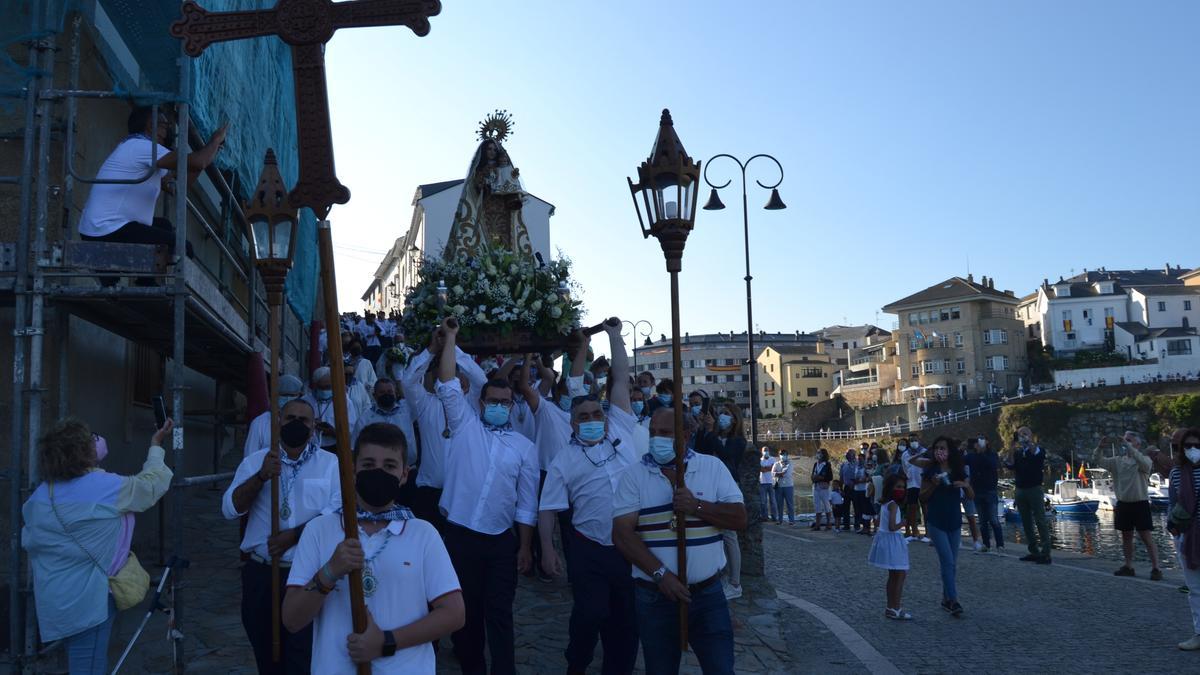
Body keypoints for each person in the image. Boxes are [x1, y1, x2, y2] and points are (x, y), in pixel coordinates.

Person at [282, 423, 465, 673]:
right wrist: (329, 572)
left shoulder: (424, 534)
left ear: (404, 475)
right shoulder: (320, 530)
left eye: (389, 466)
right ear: (353, 470)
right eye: (368, 465)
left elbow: (453, 614)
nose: (378, 472)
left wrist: (386, 642)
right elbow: (291, 619)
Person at [22, 417, 174, 675]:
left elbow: (30, 540)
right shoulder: (105, 487)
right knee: (89, 666)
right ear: (82, 451)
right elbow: (152, 484)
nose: (97, 441)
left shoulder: (40, 495)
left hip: (55, 598)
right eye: (90, 439)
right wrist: (156, 446)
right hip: (89, 600)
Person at [435, 318, 539, 675]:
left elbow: (526, 504)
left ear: (511, 405)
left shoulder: (524, 448)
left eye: (505, 402)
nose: (499, 406)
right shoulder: (464, 425)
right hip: (460, 535)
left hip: (500, 542)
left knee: (500, 613)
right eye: (493, 400)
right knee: (467, 614)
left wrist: (525, 547)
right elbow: (448, 383)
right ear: (481, 401)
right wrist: (450, 337)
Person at [538, 318, 641, 674]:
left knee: (626, 621)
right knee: (590, 613)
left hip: (629, 546)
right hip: (588, 546)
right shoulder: (564, 459)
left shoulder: (623, 430)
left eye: (597, 412)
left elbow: (621, 376)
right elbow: (548, 509)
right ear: (573, 422)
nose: (593, 418)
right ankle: (577, 661)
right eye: (584, 416)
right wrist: (549, 550)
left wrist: (615, 337)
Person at [612, 407, 747, 675]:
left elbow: (739, 518)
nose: (655, 440)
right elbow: (622, 534)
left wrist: (696, 506)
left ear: (685, 434)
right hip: (654, 595)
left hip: (708, 595)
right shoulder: (633, 476)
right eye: (652, 433)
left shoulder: (712, 467)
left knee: (720, 668)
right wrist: (661, 575)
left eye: (664, 433)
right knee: (660, 669)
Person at [222, 399, 341, 673]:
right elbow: (230, 508)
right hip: (263, 573)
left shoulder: (330, 464)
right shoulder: (256, 461)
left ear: (313, 428)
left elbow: (336, 513)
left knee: (302, 656)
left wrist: (295, 536)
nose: (296, 424)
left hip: (308, 574)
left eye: (304, 420)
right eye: (290, 419)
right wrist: (261, 477)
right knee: (266, 653)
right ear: (278, 422)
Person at [399, 327, 487, 533]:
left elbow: (481, 381)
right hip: (428, 493)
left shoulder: (470, 404)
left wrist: (451, 346)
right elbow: (408, 381)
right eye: (437, 372)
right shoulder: (423, 403)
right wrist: (432, 349)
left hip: (463, 493)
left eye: (452, 373)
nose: (444, 377)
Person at [1091, 431, 1163, 580]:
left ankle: (1156, 568)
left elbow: (1144, 463)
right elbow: (1099, 460)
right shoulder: (1117, 461)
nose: (1126, 443)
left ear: (1137, 444)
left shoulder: (1143, 461)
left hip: (1140, 503)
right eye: (1125, 440)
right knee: (1126, 536)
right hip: (1123, 503)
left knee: (1146, 536)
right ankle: (1128, 566)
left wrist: (1127, 446)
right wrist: (1100, 447)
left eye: (1129, 440)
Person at [695, 401, 747, 599]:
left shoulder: (738, 441)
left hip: (729, 489)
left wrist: (711, 433)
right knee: (717, 533)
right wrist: (703, 428)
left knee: (730, 536)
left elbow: (726, 456)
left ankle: (735, 583)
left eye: (726, 414)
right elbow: (700, 449)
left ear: (734, 419)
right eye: (720, 413)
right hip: (712, 487)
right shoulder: (715, 437)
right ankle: (723, 574)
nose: (722, 417)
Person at [920, 436, 972, 616]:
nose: (939, 451)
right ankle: (954, 600)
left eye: (942, 448)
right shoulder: (930, 470)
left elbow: (971, 496)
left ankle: (945, 598)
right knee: (947, 561)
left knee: (952, 563)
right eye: (936, 448)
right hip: (936, 521)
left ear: (950, 450)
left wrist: (965, 485)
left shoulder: (958, 470)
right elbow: (923, 497)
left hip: (955, 521)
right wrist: (933, 485)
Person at [1167, 427, 1200, 651]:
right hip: (1188, 536)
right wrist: (1175, 530)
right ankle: (1199, 633)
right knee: (1195, 589)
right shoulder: (1176, 473)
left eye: (1197, 445)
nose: (1193, 450)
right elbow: (1171, 503)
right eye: (1188, 446)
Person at [868, 473, 911, 620]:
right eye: (898, 486)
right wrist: (903, 523)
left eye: (903, 487)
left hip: (887, 540)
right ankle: (896, 607)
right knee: (900, 574)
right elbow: (892, 526)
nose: (901, 489)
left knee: (894, 575)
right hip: (894, 541)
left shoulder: (885, 504)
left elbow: (879, 523)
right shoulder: (893, 505)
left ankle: (890, 606)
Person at [1007, 426, 1051, 564]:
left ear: (1031, 436)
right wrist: (1012, 446)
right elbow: (1009, 464)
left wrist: (1029, 442)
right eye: (1020, 434)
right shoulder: (1018, 453)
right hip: (1020, 489)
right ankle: (1033, 551)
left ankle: (1046, 553)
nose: (1023, 436)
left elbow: (1037, 454)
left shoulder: (1038, 450)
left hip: (1035, 489)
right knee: (1026, 522)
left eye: (1025, 434)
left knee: (1040, 520)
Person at [244, 374, 305, 458]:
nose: (287, 399)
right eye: (284, 395)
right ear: (275, 396)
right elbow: (250, 455)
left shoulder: (305, 421)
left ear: (299, 396)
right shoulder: (260, 422)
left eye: (292, 396)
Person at [965, 434, 1003, 553]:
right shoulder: (971, 456)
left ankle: (1000, 545)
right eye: (977, 441)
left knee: (993, 519)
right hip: (977, 491)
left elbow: (993, 464)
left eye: (982, 440)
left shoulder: (992, 455)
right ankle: (986, 544)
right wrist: (961, 448)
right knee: (982, 521)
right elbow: (959, 461)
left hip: (990, 491)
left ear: (987, 442)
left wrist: (982, 453)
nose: (980, 443)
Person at [309, 366, 360, 452]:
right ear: (315, 385)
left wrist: (334, 432)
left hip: (336, 447)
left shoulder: (344, 402)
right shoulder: (306, 401)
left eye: (328, 387)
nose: (325, 390)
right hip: (311, 447)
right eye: (321, 387)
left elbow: (352, 430)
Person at [901, 436, 930, 542]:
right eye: (911, 440)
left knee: (925, 508)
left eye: (915, 440)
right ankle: (914, 532)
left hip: (923, 483)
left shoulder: (925, 452)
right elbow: (904, 468)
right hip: (911, 484)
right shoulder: (905, 454)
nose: (914, 442)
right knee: (911, 508)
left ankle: (928, 532)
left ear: (919, 440)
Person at [811, 448, 834, 531]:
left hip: (824, 488)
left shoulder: (827, 464)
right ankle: (817, 524)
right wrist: (816, 478)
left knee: (827, 505)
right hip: (816, 487)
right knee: (817, 506)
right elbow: (812, 476)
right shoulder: (815, 464)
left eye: (819, 453)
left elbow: (830, 477)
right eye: (817, 453)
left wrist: (821, 478)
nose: (818, 454)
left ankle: (829, 523)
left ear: (823, 454)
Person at [838, 449, 859, 532]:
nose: (848, 455)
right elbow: (841, 477)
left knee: (857, 507)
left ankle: (857, 525)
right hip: (846, 488)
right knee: (845, 507)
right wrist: (841, 489)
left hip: (855, 487)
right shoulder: (844, 464)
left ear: (854, 455)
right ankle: (846, 525)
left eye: (850, 454)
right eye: (847, 454)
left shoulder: (858, 464)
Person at [773, 450, 796, 526]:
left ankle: (791, 520)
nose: (783, 456)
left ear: (787, 455)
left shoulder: (790, 463)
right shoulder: (776, 464)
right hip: (778, 486)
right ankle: (780, 520)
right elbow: (772, 473)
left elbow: (786, 474)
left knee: (790, 504)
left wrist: (777, 474)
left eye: (784, 454)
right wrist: (779, 474)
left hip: (788, 486)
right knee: (779, 504)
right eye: (781, 454)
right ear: (779, 455)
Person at [758, 446, 777, 522]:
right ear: (762, 451)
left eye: (767, 450)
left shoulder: (772, 459)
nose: (766, 451)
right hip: (762, 483)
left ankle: (774, 517)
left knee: (773, 501)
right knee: (763, 502)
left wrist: (765, 468)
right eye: (764, 450)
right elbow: (760, 469)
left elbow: (772, 468)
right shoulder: (759, 460)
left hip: (771, 482)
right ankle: (765, 516)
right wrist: (767, 468)